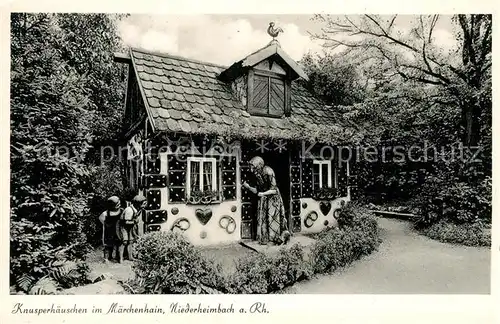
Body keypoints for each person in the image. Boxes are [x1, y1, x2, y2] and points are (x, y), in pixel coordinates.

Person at [242, 156, 290, 245]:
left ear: (259, 165)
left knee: (272, 219)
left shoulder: (268, 171)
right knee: (263, 219)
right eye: (251, 167)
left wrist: (263, 194)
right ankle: (266, 239)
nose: (252, 169)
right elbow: (257, 190)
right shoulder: (257, 174)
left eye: (253, 166)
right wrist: (248, 187)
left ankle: (276, 239)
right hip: (264, 198)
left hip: (273, 199)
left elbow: (274, 189)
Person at [117, 194, 146, 263]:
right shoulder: (129, 210)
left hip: (130, 226)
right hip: (123, 226)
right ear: (138, 204)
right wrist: (134, 222)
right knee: (124, 241)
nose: (145, 205)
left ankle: (130, 257)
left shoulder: (139, 209)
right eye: (144, 203)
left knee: (131, 241)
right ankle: (120, 258)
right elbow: (126, 222)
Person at [98, 196, 122, 262]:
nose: (119, 206)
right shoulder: (106, 213)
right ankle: (107, 258)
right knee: (108, 246)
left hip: (118, 231)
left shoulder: (121, 211)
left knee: (118, 244)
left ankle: (117, 257)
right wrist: (106, 224)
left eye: (120, 204)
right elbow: (100, 218)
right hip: (108, 232)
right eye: (117, 205)